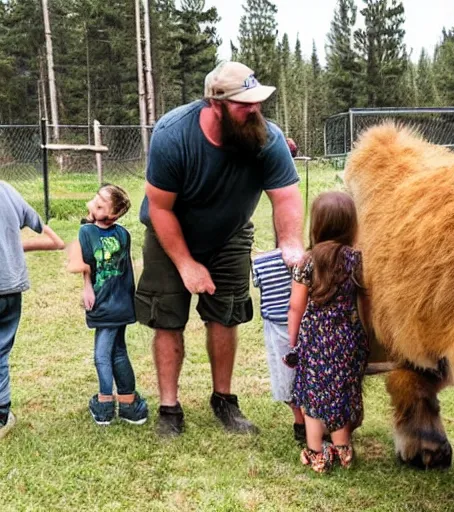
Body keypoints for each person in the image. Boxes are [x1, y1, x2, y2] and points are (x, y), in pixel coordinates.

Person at [135, 61, 304, 437]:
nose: (255, 109)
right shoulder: (173, 135)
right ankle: (169, 408)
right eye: (245, 104)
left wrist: (291, 243)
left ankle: (224, 401)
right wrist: (185, 264)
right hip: (170, 233)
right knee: (167, 317)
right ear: (216, 104)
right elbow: (160, 209)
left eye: (258, 101)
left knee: (226, 314)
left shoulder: (266, 138)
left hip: (230, 234)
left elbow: (286, 197)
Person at [288, 191, 369, 473]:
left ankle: (316, 453)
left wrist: (293, 341)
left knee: (313, 396)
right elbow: (365, 302)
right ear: (351, 224)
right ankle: (343, 450)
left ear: (317, 224)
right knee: (342, 392)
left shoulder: (307, 262)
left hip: (316, 340)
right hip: (348, 338)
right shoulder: (356, 260)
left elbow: (295, 308)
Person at [72, 184, 148, 426]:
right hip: (123, 305)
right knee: (118, 352)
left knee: (101, 355)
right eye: (96, 198)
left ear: (112, 215)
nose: (94, 203)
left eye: (101, 204)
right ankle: (128, 404)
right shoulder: (124, 234)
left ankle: (104, 404)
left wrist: (87, 288)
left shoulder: (86, 232)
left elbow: (86, 264)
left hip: (104, 304)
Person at [0, 181, 65, 439]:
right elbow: (56, 241)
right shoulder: (7, 190)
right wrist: (12, 248)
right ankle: (2, 414)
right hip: (10, 290)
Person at [252, 248, 306, 443]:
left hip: (276, 325)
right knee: (306, 377)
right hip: (302, 323)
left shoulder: (260, 262)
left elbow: (257, 283)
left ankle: (299, 423)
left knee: (285, 378)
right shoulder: (305, 258)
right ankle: (307, 424)